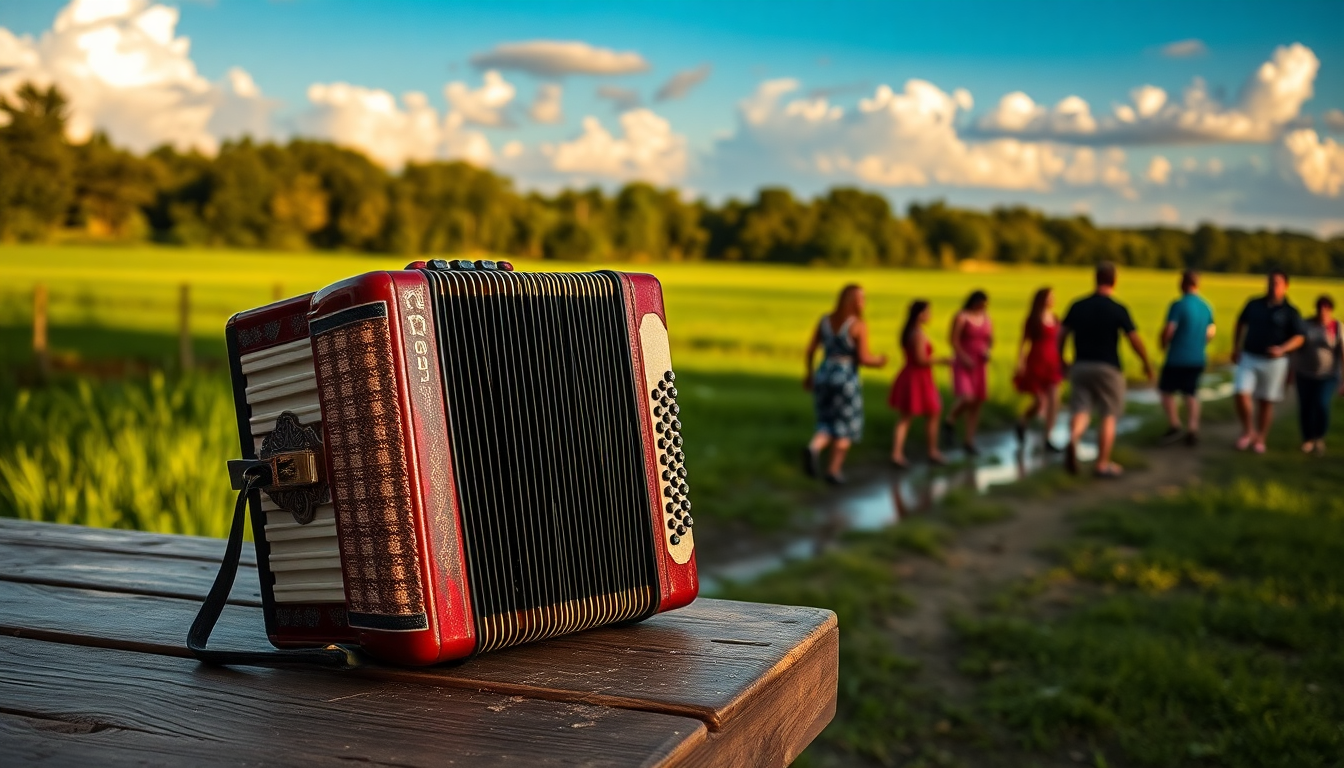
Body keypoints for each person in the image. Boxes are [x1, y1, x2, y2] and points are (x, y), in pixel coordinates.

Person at [1058, 262, 1154, 478]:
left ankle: (1073, 438)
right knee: (1108, 415)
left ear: (1095, 279)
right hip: (1108, 368)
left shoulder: (1078, 305)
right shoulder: (1117, 308)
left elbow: (1061, 334)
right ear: (1114, 281)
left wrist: (1061, 358)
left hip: (1080, 365)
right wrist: (1146, 363)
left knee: (1081, 409)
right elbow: (1134, 340)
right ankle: (1102, 464)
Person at [804, 284, 888, 484]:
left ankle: (813, 447)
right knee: (846, 425)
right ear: (855, 301)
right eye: (862, 299)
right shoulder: (857, 325)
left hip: (824, 373)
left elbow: (810, 350)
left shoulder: (824, 320)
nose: (864, 303)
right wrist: (879, 362)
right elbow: (863, 358)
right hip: (846, 378)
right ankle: (833, 471)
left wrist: (809, 374)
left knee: (826, 420)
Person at [1232, 270, 1306, 454]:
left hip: (1274, 361)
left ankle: (1261, 437)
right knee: (1241, 392)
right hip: (1249, 356)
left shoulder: (1290, 311)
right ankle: (1248, 430)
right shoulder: (1254, 304)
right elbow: (1240, 323)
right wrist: (1235, 347)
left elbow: (1299, 337)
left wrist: (1283, 349)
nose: (1273, 286)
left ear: (1286, 286)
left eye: (1277, 283)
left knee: (1266, 401)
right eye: (1270, 282)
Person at [889, 300, 951, 468]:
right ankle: (930, 451)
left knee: (908, 417)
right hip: (918, 378)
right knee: (930, 412)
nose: (930, 315)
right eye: (928, 312)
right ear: (921, 314)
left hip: (912, 376)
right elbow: (921, 360)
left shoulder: (911, 331)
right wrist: (943, 360)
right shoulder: (917, 334)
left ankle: (898, 453)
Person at [1157, 270, 1216, 447]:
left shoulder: (1179, 305)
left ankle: (1175, 424)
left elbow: (1170, 329)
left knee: (1166, 391)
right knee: (1191, 393)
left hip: (1177, 357)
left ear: (1182, 284)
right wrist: (1200, 343)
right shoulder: (1206, 306)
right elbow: (1211, 331)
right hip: (1197, 357)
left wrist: (1163, 343)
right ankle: (1192, 428)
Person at [1012, 287, 1064, 451]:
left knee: (1054, 401)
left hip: (1052, 362)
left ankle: (1048, 437)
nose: (1053, 299)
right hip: (1036, 362)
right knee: (1040, 401)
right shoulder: (1032, 319)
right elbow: (1023, 343)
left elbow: (1060, 341)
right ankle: (1023, 420)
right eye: (1050, 297)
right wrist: (1020, 363)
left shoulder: (1055, 318)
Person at [1292, 295, 1343, 454]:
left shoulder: (1337, 327)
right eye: (1320, 307)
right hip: (1304, 374)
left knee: (1321, 405)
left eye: (1326, 307)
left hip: (1327, 376)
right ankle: (1307, 439)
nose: (1323, 310)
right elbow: (1297, 346)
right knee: (1305, 407)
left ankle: (1319, 437)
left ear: (1331, 309)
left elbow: (1342, 353)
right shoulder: (1306, 325)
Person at [944, 290, 992, 455]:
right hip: (964, 362)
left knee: (977, 402)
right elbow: (953, 339)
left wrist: (987, 351)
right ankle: (950, 419)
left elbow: (989, 339)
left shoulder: (986, 318)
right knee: (967, 397)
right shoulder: (961, 316)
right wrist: (963, 357)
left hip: (980, 363)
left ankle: (969, 440)